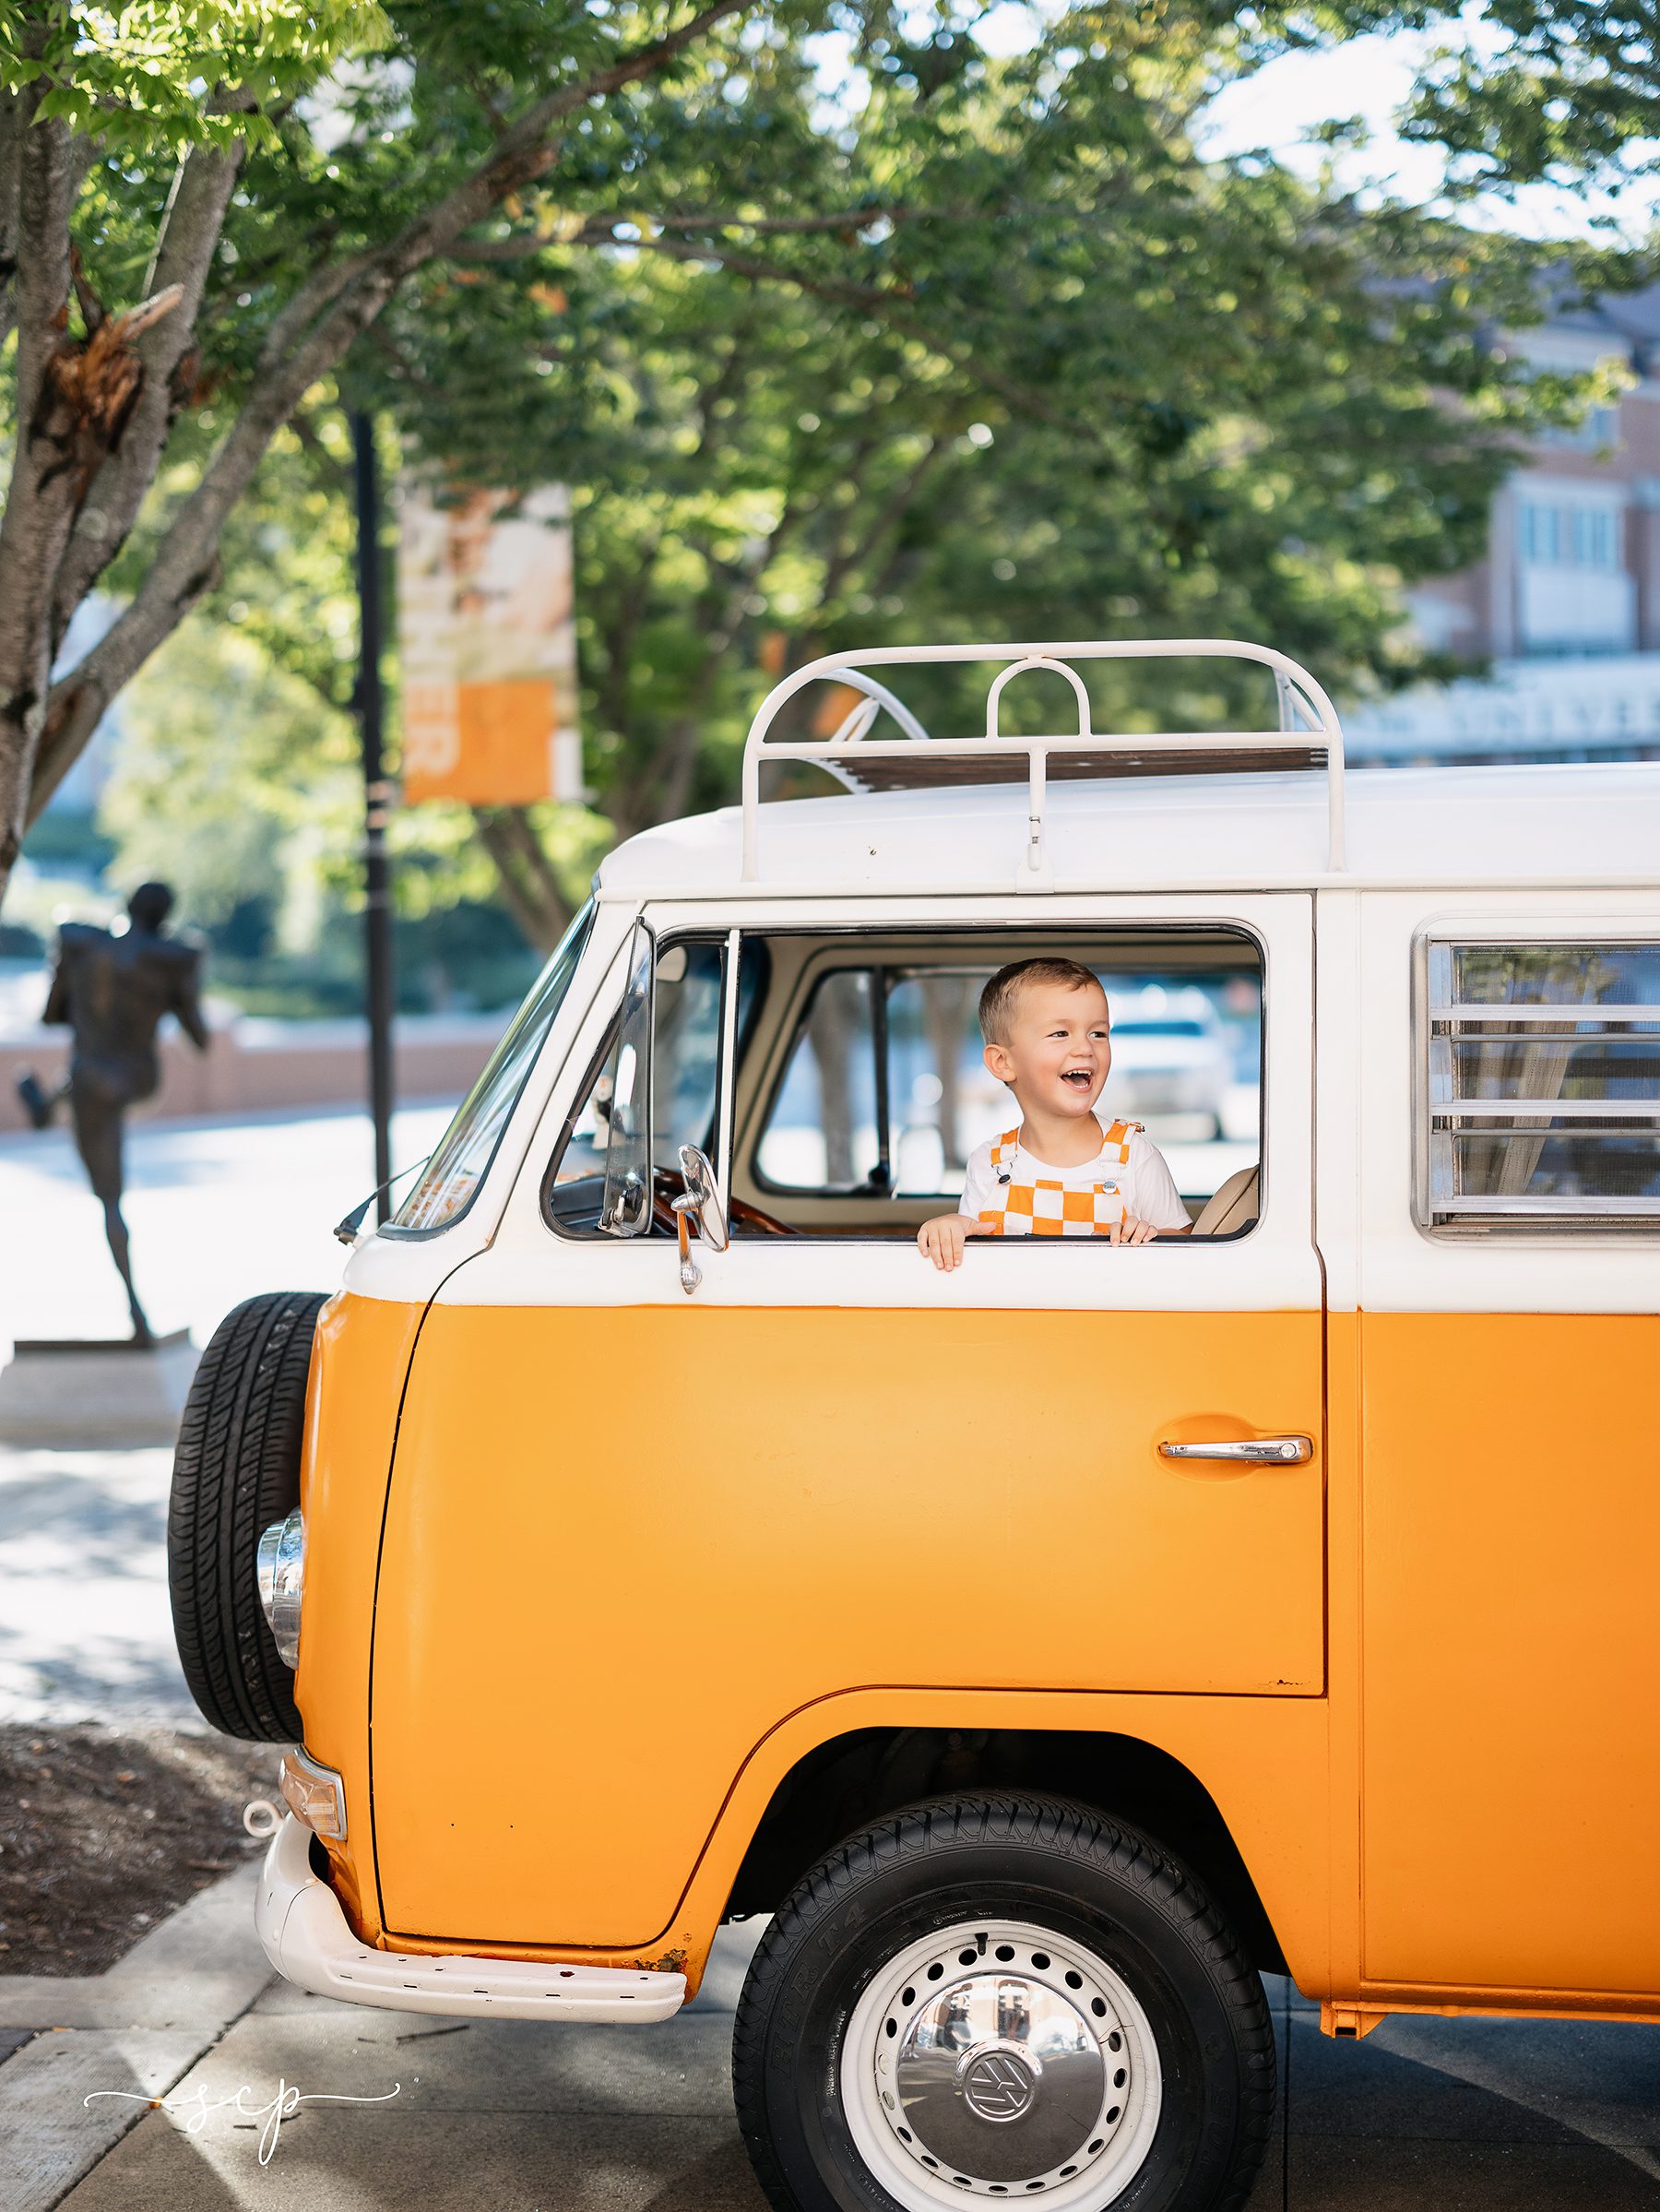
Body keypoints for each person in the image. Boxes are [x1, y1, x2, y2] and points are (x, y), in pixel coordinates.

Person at [15, 882, 208, 1342]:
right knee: (86, 1092)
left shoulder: (85, 946)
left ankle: (136, 1311)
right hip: (139, 1074)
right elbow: (198, 1039)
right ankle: (47, 1104)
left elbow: (50, 1016)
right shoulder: (171, 959)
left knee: (110, 1200)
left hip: (94, 1080)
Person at [917, 957, 1192, 1271]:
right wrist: (950, 1229)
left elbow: (1187, 1252)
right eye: (1060, 1034)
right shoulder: (989, 1163)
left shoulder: (1134, 1156)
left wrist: (1153, 1237)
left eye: (1098, 1034)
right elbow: (972, 1260)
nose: (1085, 1049)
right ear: (1002, 1063)